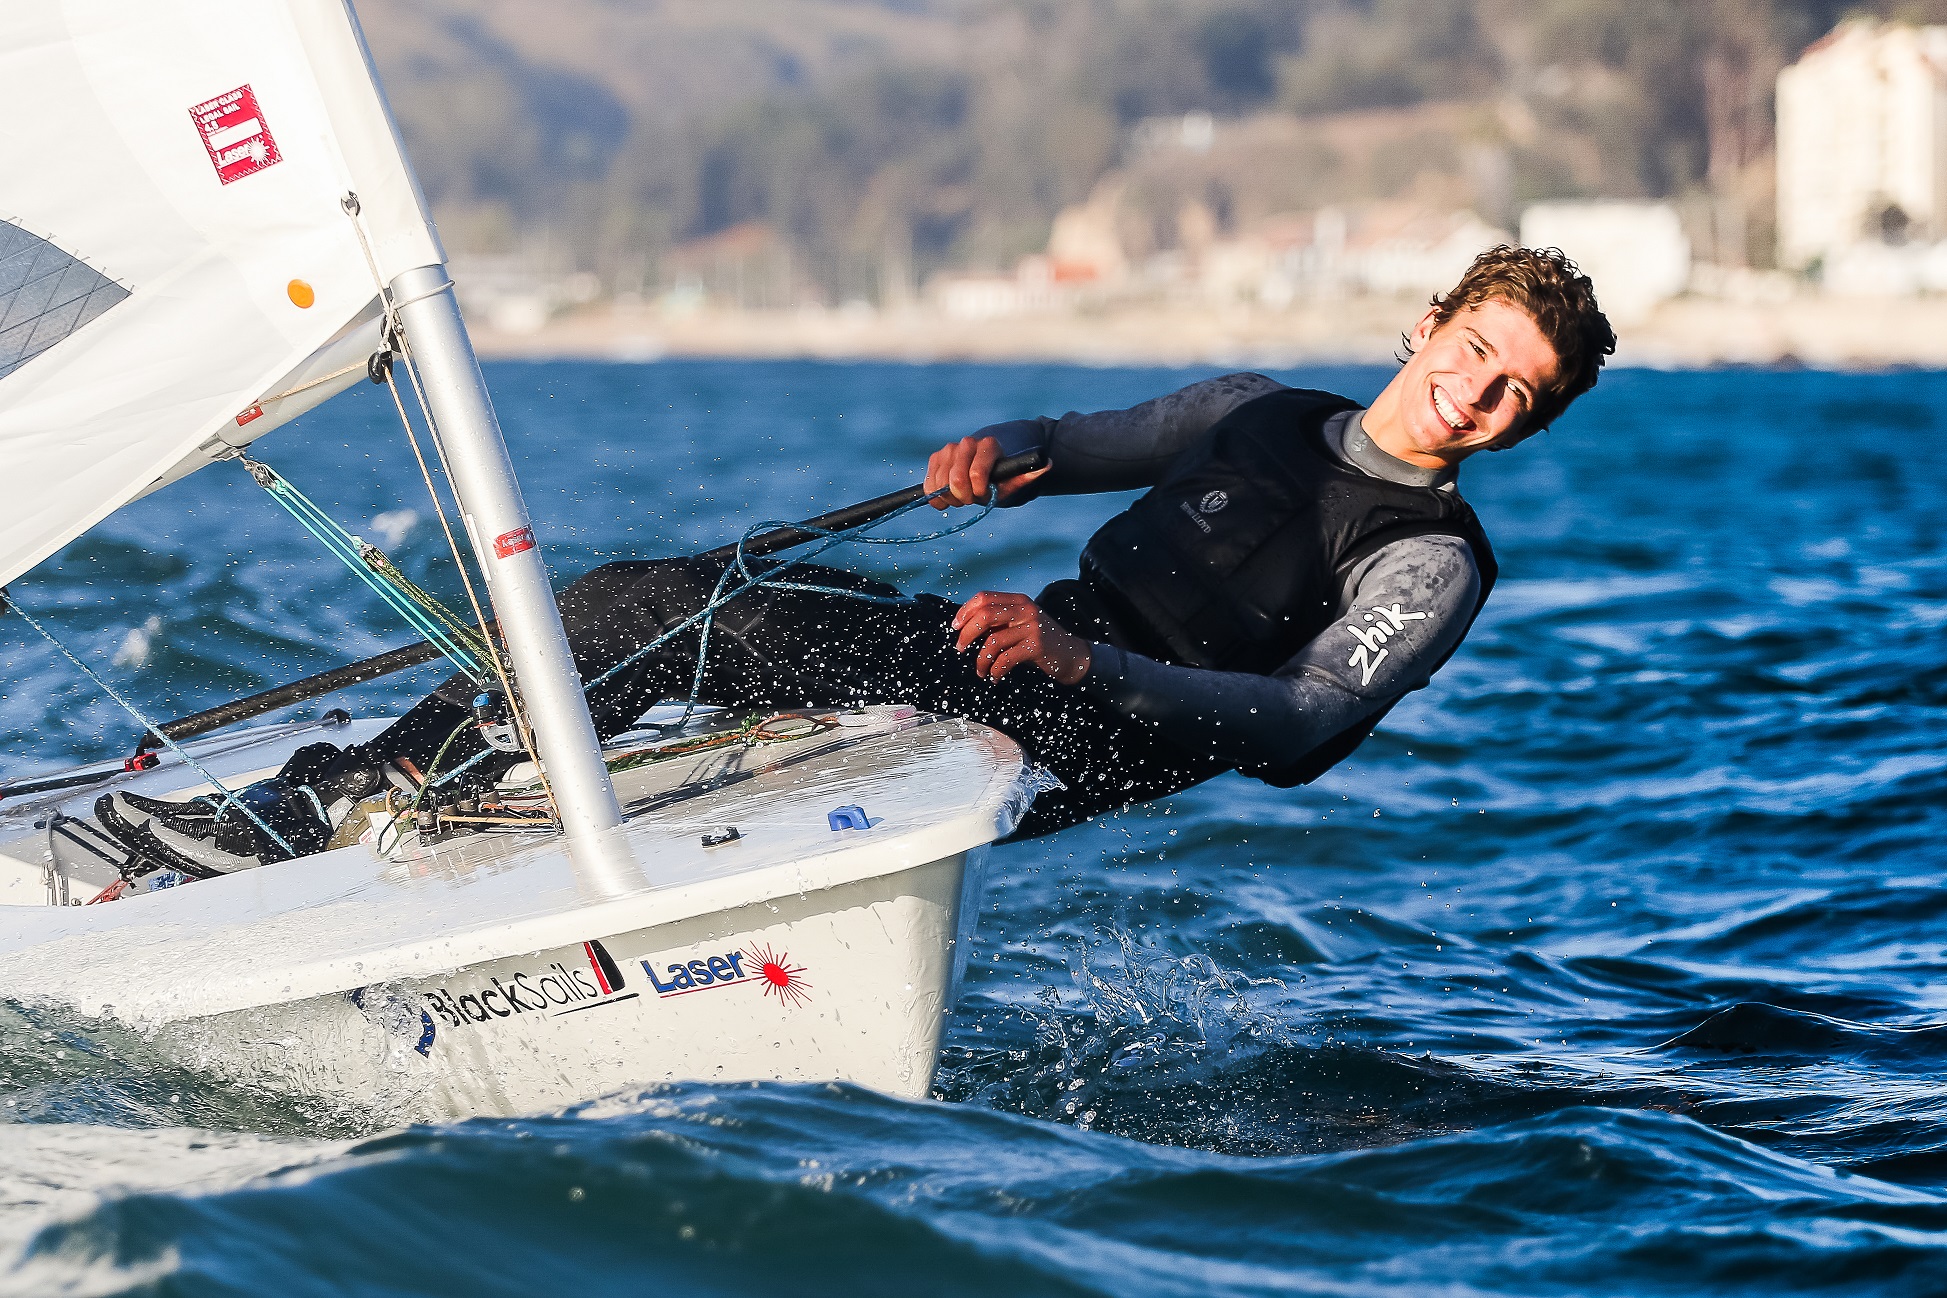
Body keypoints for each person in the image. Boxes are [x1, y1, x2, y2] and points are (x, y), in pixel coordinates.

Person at [96, 245, 1614, 875]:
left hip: (1070, 727)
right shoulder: (1252, 411)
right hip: (989, 649)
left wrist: (1092, 663)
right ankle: (348, 796)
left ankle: (368, 806)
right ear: (1429, 324)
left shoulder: (1431, 563)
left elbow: (1300, 722)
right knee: (639, 610)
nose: (1472, 394)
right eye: (1472, 351)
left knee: (674, 644)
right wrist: (997, 443)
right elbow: (1071, 436)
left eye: (1511, 395)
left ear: (1524, 426)